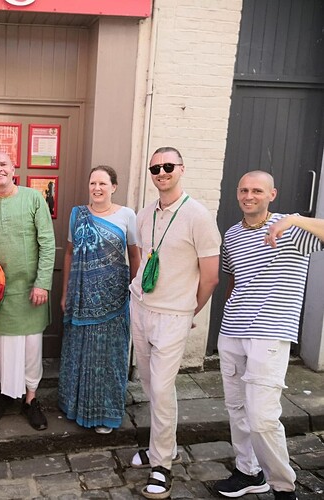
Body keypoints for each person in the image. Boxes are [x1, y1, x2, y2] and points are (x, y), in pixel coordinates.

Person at [213, 171, 324, 500]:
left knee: (262, 417)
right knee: (237, 409)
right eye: (244, 189)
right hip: (232, 331)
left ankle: (282, 486)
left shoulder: (291, 228)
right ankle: (248, 471)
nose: (249, 195)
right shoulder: (231, 234)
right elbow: (234, 279)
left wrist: (295, 219)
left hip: (270, 333)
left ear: (271, 194)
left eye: (257, 190)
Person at [129, 147, 221, 499]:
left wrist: (186, 313)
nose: (161, 172)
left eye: (168, 166)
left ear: (181, 169)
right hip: (142, 307)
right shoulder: (145, 213)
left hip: (173, 316)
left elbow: (211, 277)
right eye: (155, 167)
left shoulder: (198, 215)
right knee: (151, 386)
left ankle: (162, 464)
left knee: (163, 391)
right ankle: (159, 447)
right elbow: (141, 259)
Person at [0, 151, 56, 431]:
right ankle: (6, 393)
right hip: (1, 291)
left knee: (32, 349)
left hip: (32, 289)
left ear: (14, 171)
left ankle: (30, 399)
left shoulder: (33, 198)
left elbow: (47, 242)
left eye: (3, 164)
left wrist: (43, 282)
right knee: (2, 348)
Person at [58, 165, 140, 434]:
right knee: (79, 351)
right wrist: (66, 291)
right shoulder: (78, 215)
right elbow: (69, 253)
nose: (97, 188)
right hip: (81, 296)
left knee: (108, 356)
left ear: (113, 187)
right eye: (93, 183)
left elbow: (135, 255)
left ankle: (106, 415)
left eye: (103, 183)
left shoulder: (127, 215)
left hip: (114, 298)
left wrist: (136, 292)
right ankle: (76, 406)